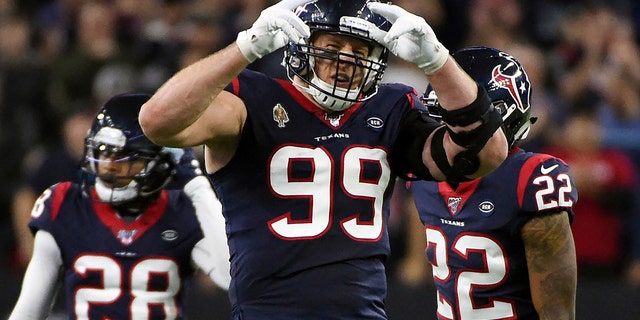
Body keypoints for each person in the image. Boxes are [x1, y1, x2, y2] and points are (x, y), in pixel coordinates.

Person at [138, 0, 509, 318]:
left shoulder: (391, 108)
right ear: (302, 47)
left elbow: (488, 154)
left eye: (360, 52)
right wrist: (244, 48)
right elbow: (157, 122)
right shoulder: (251, 99)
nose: (345, 62)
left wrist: (437, 61)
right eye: (333, 46)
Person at [8, 93, 231, 320]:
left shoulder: (182, 210)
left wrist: (196, 186)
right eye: (104, 152)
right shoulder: (65, 204)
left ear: (157, 162)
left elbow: (232, 276)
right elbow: (28, 311)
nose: (109, 166)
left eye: (125, 158)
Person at [409, 46, 578, 319]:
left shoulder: (531, 177)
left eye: (461, 116)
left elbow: (557, 312)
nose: (447, 128)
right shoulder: (424, 175)